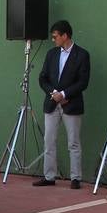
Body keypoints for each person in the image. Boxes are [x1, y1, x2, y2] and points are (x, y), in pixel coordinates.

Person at [35, 20, 91, 189]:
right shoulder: (51, 54)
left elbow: (83, 82)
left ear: (65, 35)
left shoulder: (82, 55)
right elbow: (42, 78)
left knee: (73, 142)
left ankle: (76, 178)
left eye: (55, 36)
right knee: (49, 140)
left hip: (71, 105)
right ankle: (49, 176)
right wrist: (54, 93)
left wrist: (64, 94)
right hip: (52, 103)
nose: (54, 40)